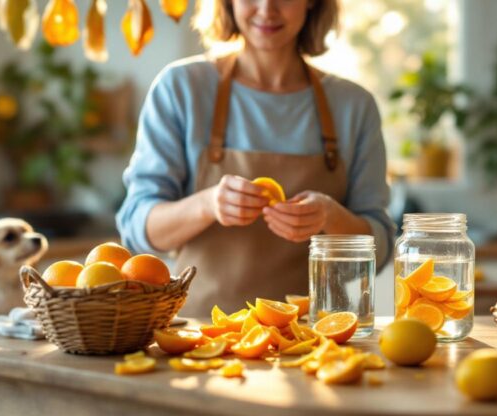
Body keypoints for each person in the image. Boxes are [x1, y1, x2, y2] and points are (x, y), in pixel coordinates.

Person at [116, 0, 395, 315]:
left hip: (316, 343)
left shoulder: (354, 105)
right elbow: (137, 228)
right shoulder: (181, 88)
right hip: (201, 339)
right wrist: (208, 204)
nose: (266, 8)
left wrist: (330, 216)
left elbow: (381, 245)